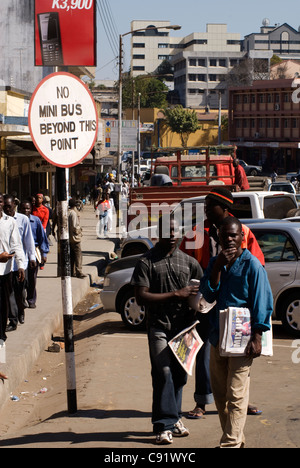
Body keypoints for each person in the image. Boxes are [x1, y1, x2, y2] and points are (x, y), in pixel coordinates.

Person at [180, 187, 265, 419]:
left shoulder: (243, 232)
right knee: (206, 350)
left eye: (210, 206)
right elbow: (183, 260)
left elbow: (257, 265)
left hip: (236, 305)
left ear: (225, 208)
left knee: (239, 354)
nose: (205, 209)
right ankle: (202, 401)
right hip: (207, 301)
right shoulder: (198, 232)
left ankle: (239, 400)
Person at [199, 216, 273, 448]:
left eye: (234, 235)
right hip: (217, 337)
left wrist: (258, 337)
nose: (229, 239)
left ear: (242, 237)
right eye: (225, 235)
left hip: (242, 339)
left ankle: (229, 444)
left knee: (236, 394)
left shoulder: (252, 265)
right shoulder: (214, 263)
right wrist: (218, 267)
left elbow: (262, 301)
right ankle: (237, 440)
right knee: (220, 396)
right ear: (218, 237)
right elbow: (208, 295)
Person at [131, 215, 202, 445]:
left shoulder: (189, 262)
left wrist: (199, 305)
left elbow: (202, 291)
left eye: (175, 232)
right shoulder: (146, 262)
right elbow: (140, 297)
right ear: (157, 234)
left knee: (179, 376)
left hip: (184, 330)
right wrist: (176, 294)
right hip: (159, 328)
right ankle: (163, 426)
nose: (172, 236)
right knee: (163, 373)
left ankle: (175, 418)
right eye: (167, 232)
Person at [3, 195, 36, 330]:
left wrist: (32, 257)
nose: (7, 210)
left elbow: (28, 240)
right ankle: (13, 320)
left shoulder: (22, 220)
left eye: (9, 207)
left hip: (20, 264)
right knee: (9, 293)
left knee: (19, 293)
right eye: (5, 207)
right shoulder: (3, 221)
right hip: (6, 266)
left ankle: (20, 310)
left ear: (14, 207)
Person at [0, 193, 25, 344]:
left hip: (5, 273)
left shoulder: (9, 222)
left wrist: (21, 265)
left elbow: (16, 245)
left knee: (3, 310)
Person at [19, 200, 49, 309]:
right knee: (22, 279)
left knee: (32, 278)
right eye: (23, 209)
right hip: (20, 253)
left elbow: (42, 238)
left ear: (31, 209)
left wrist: (44, 253)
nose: (26, 211)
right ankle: (21, 301)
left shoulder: (35, 221)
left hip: (33, 253)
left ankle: (31, 299)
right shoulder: (16, 220)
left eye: (28, 208)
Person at [68, 198, 86, 279]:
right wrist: (80, 231)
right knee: (78, 255)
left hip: (68, 237)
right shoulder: (73, 214)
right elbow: (75, 227)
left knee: (71, 255)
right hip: (74, 238)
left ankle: (72, 271)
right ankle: (79, 271)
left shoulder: (67, 212)